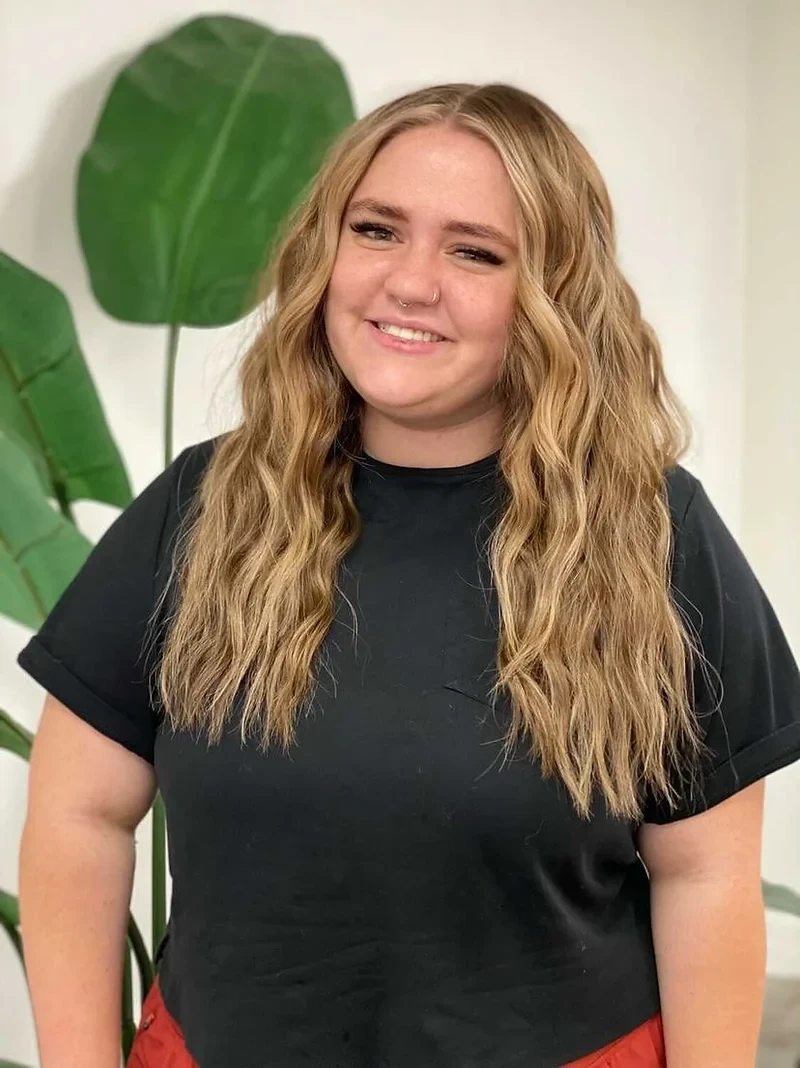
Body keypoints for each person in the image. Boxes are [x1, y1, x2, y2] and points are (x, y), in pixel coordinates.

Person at [16, 81, 800, 1068]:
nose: (410, 282)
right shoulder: (203, 507)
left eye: (475, 251)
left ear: (552, 293)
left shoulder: (654, 534)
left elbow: (704, 879)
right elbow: (78, 815)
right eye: (377, 230)